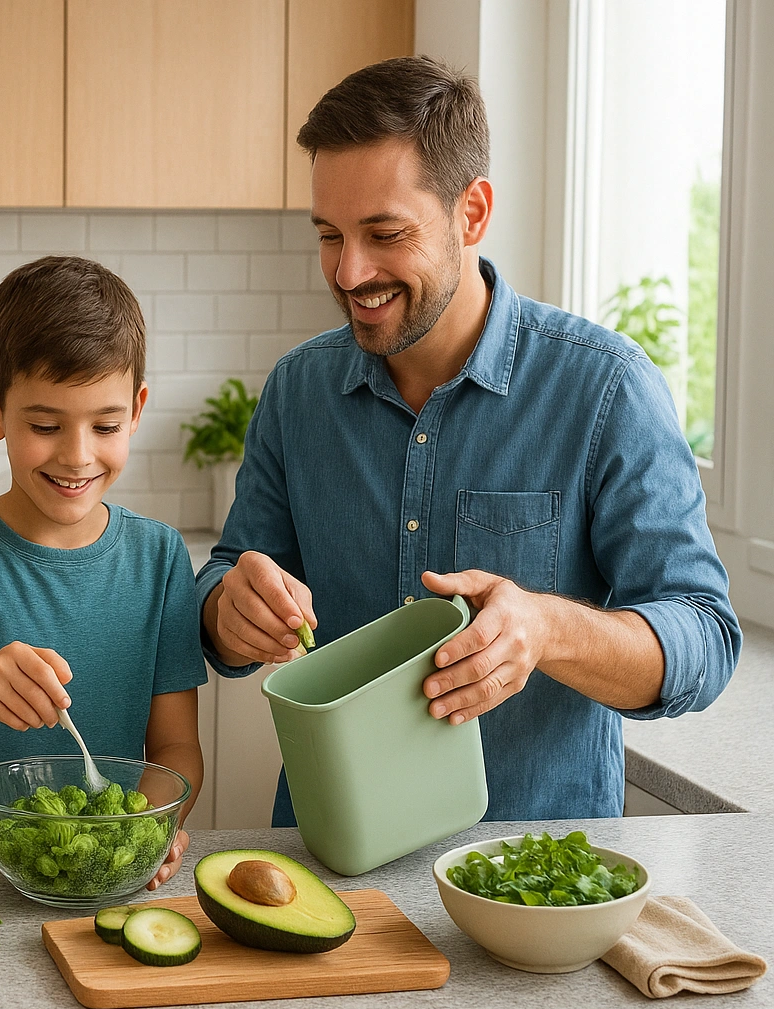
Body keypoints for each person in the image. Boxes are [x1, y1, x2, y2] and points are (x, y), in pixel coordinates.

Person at [198, 57, 741, 824]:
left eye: (384, 234)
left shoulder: (605, 388)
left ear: (473, 213)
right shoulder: (299, 390)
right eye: (329, 235)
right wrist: (229, 608)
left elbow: (705, 637)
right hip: (328, 866)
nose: (350, 271)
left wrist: (547, 627)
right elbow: (225, 582)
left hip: (530, 875)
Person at [0, 256, 206, 889]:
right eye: (46, 425)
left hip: (102, 881)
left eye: (105, 425)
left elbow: (175, 749)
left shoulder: (160, 559)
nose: (77, 456)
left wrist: (151, 823)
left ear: (137, 411)